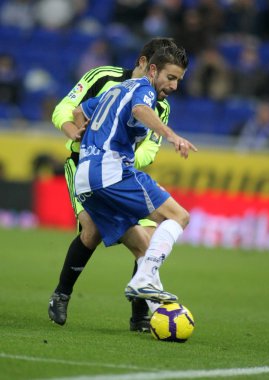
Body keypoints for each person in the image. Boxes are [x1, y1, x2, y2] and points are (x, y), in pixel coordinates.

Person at [49, 38, 178, 331]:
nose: (167, 85)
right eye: (167, 76)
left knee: (149, 237)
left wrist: (114, 150)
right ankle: (61, 293)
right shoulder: (104, 77)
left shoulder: (160, 105)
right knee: (91, 232)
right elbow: (65, 109)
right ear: (144, 63)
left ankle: (139, 316)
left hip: (121, 172)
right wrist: (77, 134)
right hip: (83, 163)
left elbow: (149, 151)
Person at [74, 45, 197, 304]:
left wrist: (81, 131)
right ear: (153, 70)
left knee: (143, 246)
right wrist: (172, 136)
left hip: (85, 179)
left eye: (178, 80)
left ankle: (158, 310)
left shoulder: (118, 89)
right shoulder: (144, 89)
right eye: (170, 78)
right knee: (179, 216)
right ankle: (144, 279)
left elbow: (80, 111)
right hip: (111, 172)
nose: (174, 86)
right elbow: (140, 111)